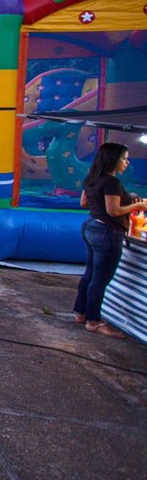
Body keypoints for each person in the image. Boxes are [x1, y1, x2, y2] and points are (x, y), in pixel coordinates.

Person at [75, 142, 146, 338]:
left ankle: (81, 313)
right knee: (100, 279)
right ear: (113, 160)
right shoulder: (112, 182)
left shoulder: (92, 178)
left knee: (90, 273)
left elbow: (83, 203)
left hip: (91, 226)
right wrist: (138, 205)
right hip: (107, 232)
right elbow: (113, 211)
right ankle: (94, 321)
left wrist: (127, 199)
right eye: (124, 158)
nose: (126, 162)